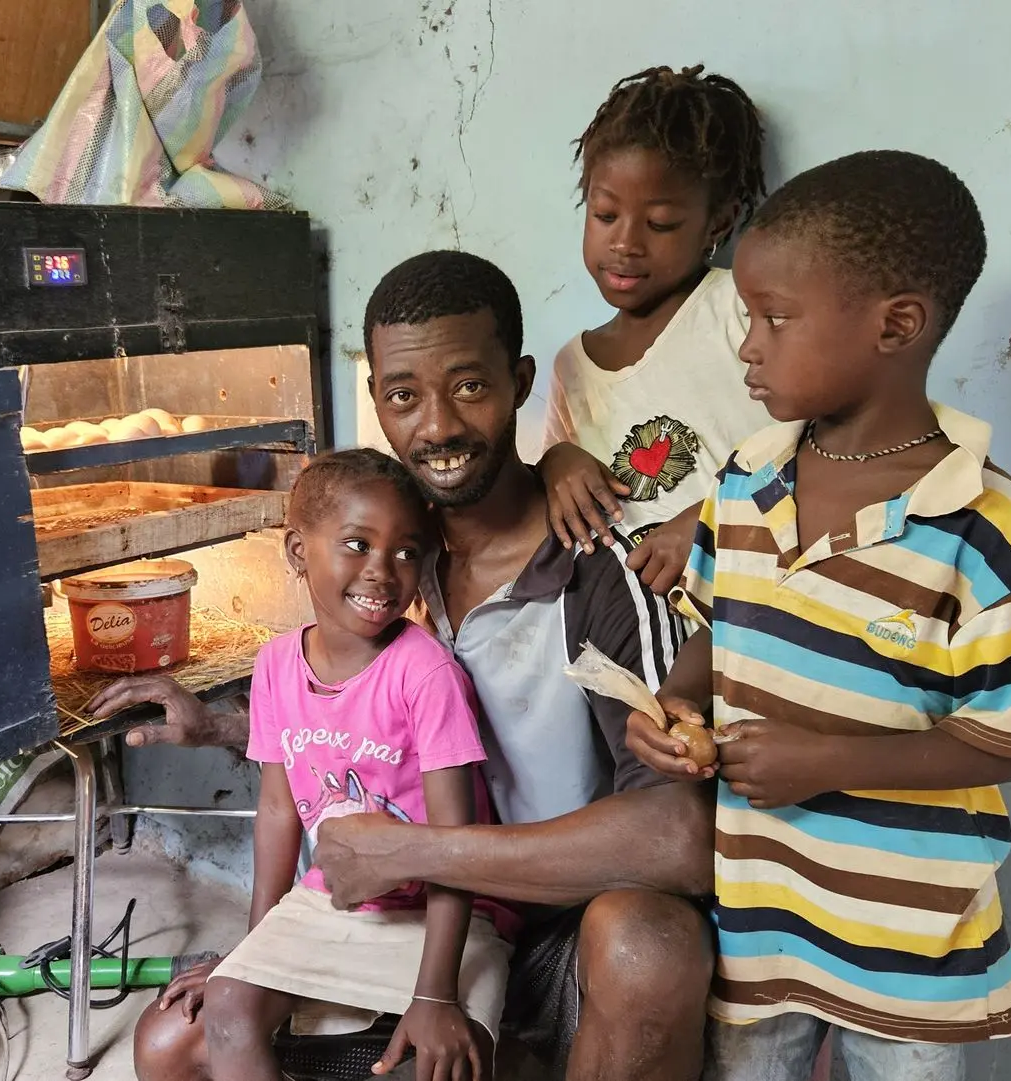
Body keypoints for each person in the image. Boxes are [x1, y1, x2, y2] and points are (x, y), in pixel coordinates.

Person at [94, 250, 717, 1081]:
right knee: (176, 1040)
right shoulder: (394, 553)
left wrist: (417, 852)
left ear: (520, 382)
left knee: (649, 945)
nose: (438, 427)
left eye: (470, 386)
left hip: (554, 930)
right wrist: (223, 727)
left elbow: (681, 834)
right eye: (403, 396)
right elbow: (374, 730)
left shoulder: (599, 572)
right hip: (406, 914)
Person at [625, 150, 1011, 1081]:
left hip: (909, 944)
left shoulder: (984, 525)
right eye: (749, 317)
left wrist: (829, 760)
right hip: (763, 923)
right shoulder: (747, 479)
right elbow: (724, 626)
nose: (749, 347)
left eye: (776, 318)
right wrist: (673, 702)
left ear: (896, 325)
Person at [200, 447, 512, 1081]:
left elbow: (455, 844)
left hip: (443, 917)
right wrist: (254, 950)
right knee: (226, 1007)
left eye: (406, 552)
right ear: (298, 551)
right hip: (332, 901)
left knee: (432, 1065)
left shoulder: (425, 673)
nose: (382, 572)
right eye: (357, 544)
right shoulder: (275, 665)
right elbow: (277, 811)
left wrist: (435, 995)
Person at [539, 65, 775, 596]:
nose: (625, 243)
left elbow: (823, 443)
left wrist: (715, 519)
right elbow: (557, 491)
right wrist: (556, 463)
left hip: (756, 604)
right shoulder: (573, 364)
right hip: (637, 622)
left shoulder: (741, 308)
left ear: (718, 223)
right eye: (604, 215)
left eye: (660, 224)